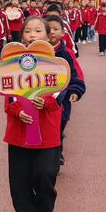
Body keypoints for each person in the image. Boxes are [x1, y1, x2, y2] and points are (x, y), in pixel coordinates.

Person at [5, 16, 81, 212]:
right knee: (19, 178)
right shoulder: (13, 61)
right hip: (19, 129)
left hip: (47, 127)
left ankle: (45, 211)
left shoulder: (58, 62)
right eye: (27, 31)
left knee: (45, 173)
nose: (32, 35)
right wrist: (17, 110)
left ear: (48, 36)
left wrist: (48, 101)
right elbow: (7, 91)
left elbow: (62, 87)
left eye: (37, 31)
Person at [44, 15, 86, 166]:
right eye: (48, 29)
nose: (52, 32)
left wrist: (76, 90)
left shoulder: (66, 53)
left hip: (61, 101)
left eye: (56, 29)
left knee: (58, 129)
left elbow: (76, 74)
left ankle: (57, 152)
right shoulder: (35, 53)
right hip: (41, 100)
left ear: (63, 33)